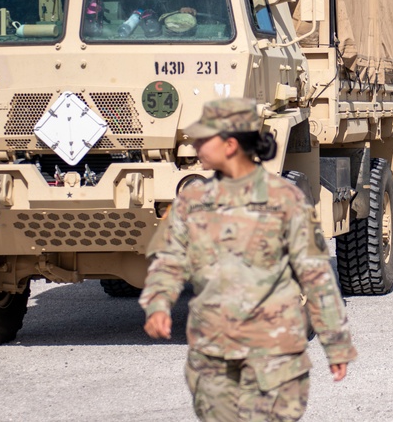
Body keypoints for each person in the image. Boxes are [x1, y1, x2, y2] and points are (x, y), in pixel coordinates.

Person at [140, 97, 356, 421]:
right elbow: (170, 257)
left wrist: (335, 343)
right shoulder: (192, 201)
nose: (194, 144)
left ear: (230, 145)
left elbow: (316, 274)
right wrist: (158, 302)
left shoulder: (285, 200)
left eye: (203, 139)